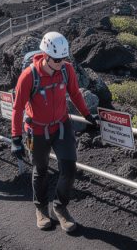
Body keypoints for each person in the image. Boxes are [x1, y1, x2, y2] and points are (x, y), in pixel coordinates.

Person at [11, 31, 97, 232]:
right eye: (57, 59)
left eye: (63, 59)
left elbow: (75, 93)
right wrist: (15, 137)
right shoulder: (29, 76)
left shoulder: (66, 70)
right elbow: (17, 107)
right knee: (40, 171)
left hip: (61, 126)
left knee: (69, 168)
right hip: (37, 130)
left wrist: (87, 115)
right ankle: (41, 208)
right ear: (46, 55)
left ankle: (60, 207)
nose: (61, 63)